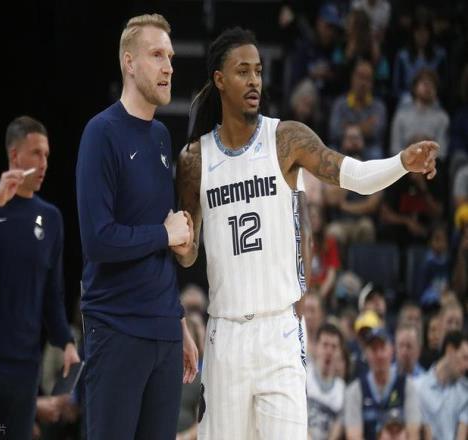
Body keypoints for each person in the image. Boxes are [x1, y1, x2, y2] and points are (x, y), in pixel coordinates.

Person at [175, 27, 438, 439]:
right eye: (243, 71)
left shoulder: (285, 138)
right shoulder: (195, 159)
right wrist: (178, 240)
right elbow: (189, 254)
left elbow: (353, 175)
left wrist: (400, 163)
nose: (254, 80)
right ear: (219, 80)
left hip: (279, 330)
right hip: (225, 332)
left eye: (258, 71)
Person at [75, 14, 198, 440]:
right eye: (157, 55)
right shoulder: (101, 133)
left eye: (171, 57)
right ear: (129, 62)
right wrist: (164, 234)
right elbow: (98, 239)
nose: (169, 67)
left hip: (164, 330)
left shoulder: (161, 136)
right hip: (117, 328)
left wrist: (178, 320)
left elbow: (160, 240)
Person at [0, 116, 79, 439]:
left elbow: (51, 294)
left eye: (47, 155)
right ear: (14, 155)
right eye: (36, 153)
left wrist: (66, 342)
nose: (44, 163)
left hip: (23, 367)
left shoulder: (51, 218)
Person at [344, 328, 421, 440]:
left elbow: (413, 433)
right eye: (374, 349)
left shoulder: (407, 386)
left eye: (383, 348)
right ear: (366, 353)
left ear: (392, 350)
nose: (379, 355)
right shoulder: (355, 390)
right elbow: (353, 436)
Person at [416, 330, 468, 440]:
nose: (467, 366)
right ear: (450, 351)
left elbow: (461, 435)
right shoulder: (418, 387)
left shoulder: (465, 393)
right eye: (465, 358)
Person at [307, 323, 346, 440]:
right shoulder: (303, 374)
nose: (329, 351)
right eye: (325, 345)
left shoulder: (342, 390)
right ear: (316, 347)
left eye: (334, 347)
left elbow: (337, 430)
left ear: (340, 352)